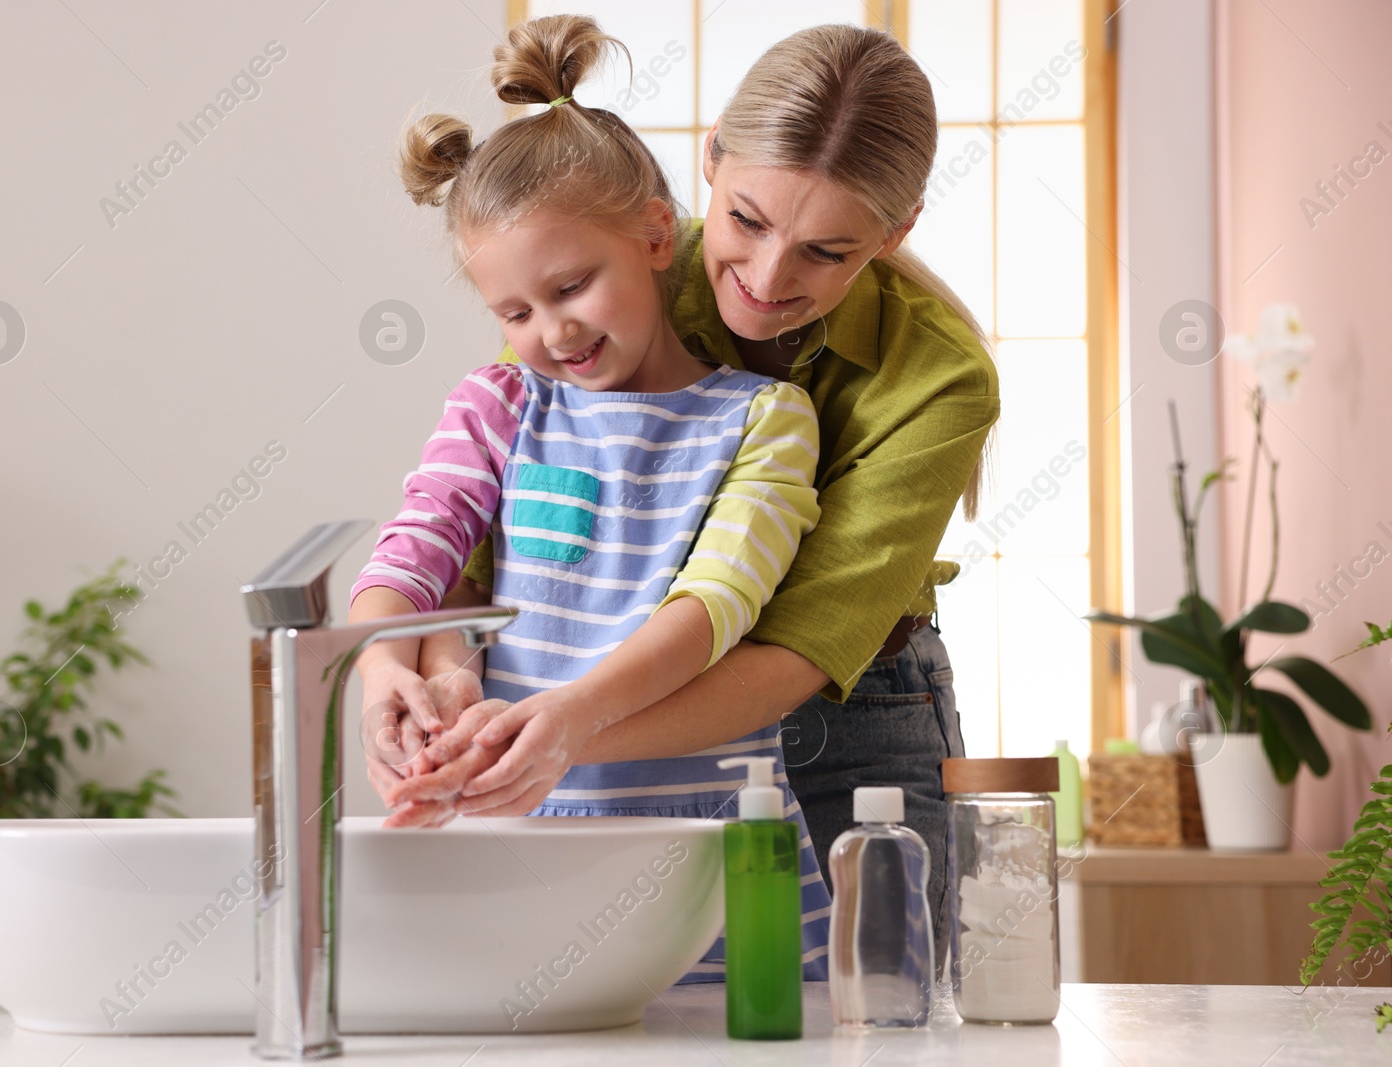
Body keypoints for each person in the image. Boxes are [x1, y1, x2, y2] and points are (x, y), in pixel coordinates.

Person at [372, 21, 1000, 963]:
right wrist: (431, 679)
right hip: (548, 729)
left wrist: (551, 730)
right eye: (747, 219)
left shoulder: (932, 380)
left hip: (853, 714)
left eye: (827, 252)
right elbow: (467, 551)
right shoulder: (587, 268)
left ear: (896, 230)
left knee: (870, 1014)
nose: (766, 277)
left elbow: (782, 645)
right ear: (707, 168)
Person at [349, 14, 834, 982]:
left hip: (714, 845)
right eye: (514, 311)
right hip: (522, 834)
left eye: (573, 285)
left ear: (658, 233)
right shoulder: (496, 404)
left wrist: (564, 718)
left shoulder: (764, 420)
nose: (550, 330)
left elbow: (717, 603)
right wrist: (379, 674)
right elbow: (415, 547)